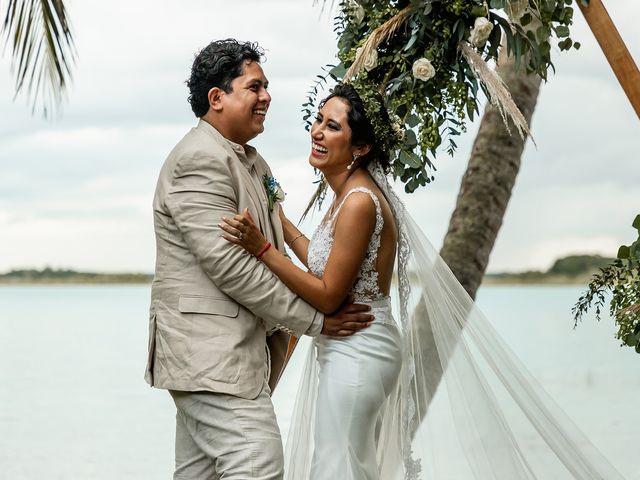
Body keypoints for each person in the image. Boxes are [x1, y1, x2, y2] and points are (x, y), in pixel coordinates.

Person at [222, 83, 626, 479]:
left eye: (332, 126)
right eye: (318, 120)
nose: (317, 131)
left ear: (360, 148)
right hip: (352, 348)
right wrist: (279, 221)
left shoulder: (360, 202)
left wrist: (263, 250)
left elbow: (328, 295)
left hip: (358, 351)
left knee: (338, 464)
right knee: (344, 461)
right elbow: (325, 261)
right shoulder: (349, 196)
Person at [144, 40, 373, 480]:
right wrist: (318, 321)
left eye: (267, 87)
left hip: (233, 359)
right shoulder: (198, 159)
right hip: (210, 356)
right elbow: (234, 268)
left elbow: (273, 245)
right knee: (258, 463)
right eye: (255, 87)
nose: (267, 96)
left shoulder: (254, 163)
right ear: (217, 98)